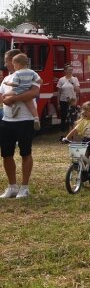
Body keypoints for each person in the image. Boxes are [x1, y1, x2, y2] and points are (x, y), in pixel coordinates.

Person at [0, 49, 40, 199]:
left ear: (15, 61)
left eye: (6, 61)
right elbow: (1, 97)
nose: (5, 64)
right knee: (6, 154)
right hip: (7, 120)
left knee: (25, 153)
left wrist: (13, 99)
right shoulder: (6, 80)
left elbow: (34, 93)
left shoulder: (29, 76)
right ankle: (12, 187)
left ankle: (24, 187)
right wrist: (5, 100)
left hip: (25, 119)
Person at [62, 101, 90, 190]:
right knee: (82, 159)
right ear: (85, 112)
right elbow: (74, 130)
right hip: (86, 141)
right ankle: (81, 178)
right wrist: (66, 138)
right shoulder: (82, 121)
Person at [3, 53, 42, 128]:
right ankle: (36, 118)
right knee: (31, 106)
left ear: (17, 64)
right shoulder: (32, 72)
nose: (14, 67)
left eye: (14, 64)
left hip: (17, 91)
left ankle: (13, 106)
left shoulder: (17, 73)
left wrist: (8, 83)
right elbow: (40, 81)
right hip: (27, 90)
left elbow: (15, 84)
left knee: (5, 96)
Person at [56, 65, 80, 131]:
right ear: (65, 71)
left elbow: (77, 90)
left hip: (72, 101)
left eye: (71, 70)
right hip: (63, 100)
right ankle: (63, 128)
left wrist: (72, 83)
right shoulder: (61, 79)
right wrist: (58, 103)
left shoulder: (75, 79)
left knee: (72, 115)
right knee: (64, 115)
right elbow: (59, 92)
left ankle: (72, 128)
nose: (70, 71)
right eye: (69, 70)